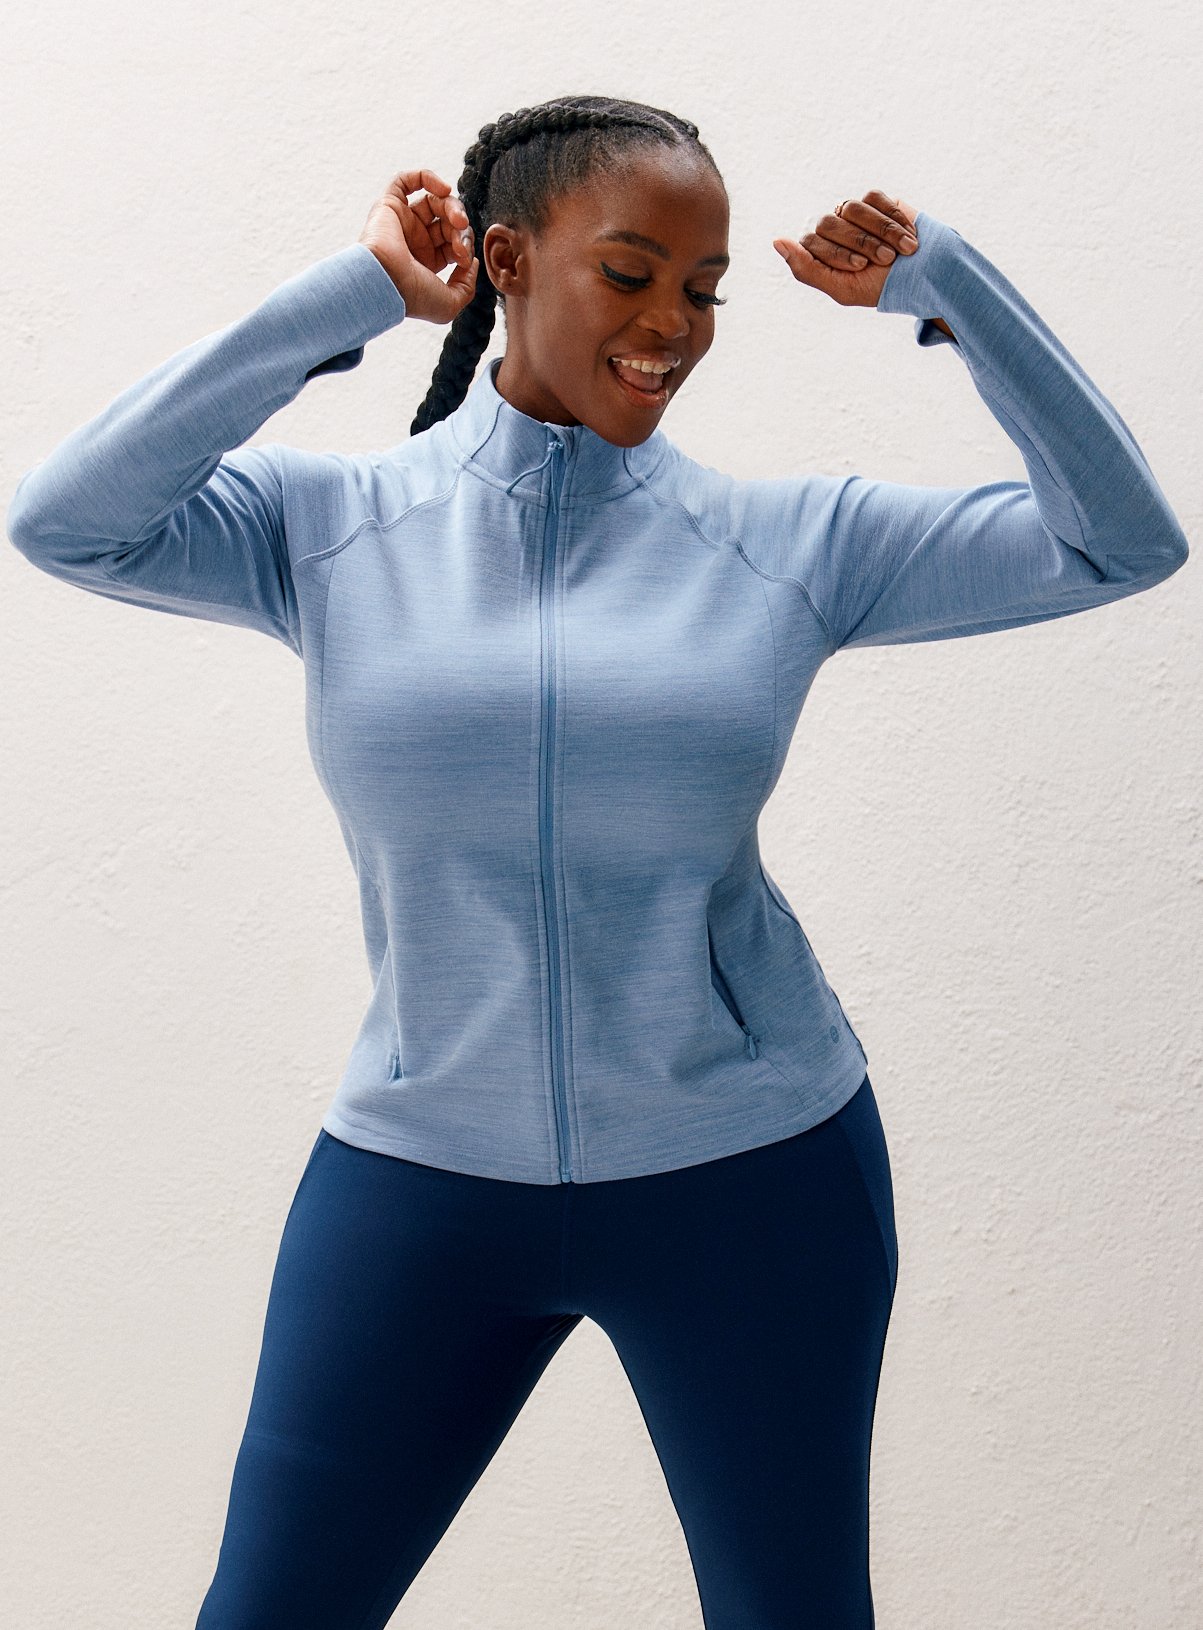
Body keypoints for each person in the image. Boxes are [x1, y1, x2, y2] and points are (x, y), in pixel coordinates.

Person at [7, 92, 1189, 1630]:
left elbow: (1121, 541)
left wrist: (949, 284)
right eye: (629, 273)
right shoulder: (333, 530)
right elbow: (66, 521)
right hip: (424, 1174)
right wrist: (353, 293)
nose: (672, 325)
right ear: (505, 258)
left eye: (703, 290)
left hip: (754, 1176)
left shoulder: (786, 544)